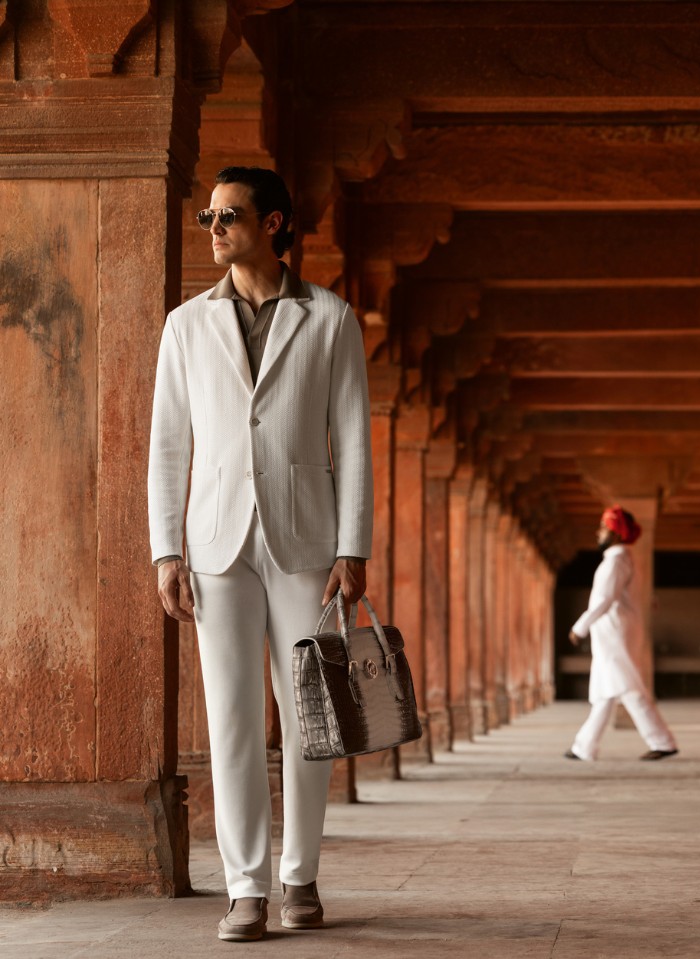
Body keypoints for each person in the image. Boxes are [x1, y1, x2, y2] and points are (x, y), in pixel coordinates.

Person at [148, 167, 373, 941]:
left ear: (274, 223)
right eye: (208, 214)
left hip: (306, 539)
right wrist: (163, 549)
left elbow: (352, 438)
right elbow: (168, 444)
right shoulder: (185, 325)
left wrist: (354, 545)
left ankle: (298, 875)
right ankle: (245, 886)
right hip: (215, 543)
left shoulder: (331, 318)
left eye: (229, 214)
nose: (213, 226)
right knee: (232, 718)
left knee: (310, 713)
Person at [565, 506, 678, 763]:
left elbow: (604, 599)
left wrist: (579, 627)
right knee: (608, 691)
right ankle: (584, 747)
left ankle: (663, 741)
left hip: (614, 634)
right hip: (617, 633)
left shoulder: (615, 561)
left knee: (629, 689)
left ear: (615, 533)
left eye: (604, 527)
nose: (599, 532)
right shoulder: (626, 560)